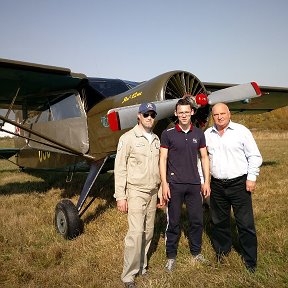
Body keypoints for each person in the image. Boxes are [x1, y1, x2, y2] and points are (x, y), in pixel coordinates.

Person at [204, 103, 262, 273]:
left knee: (244, 223)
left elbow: (254, 156)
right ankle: (223, 253)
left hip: (239, 184)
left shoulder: (241, 131)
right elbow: (202, 159)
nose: (220, 117)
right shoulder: (208, 134)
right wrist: (204, 181)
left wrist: (251, 177)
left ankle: (250, 260)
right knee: (219, 222)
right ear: (212, 116)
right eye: (216, 115)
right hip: (217, 185)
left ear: (229, 114)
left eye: (223, 113)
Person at [114, 102, 163, 288]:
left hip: (152, 191)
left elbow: (159, 167)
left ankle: (142, 266)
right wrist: (120, 196)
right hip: (135, 191)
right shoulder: (127, 138)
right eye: (146, 114)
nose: (149, 117)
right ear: (139, 116)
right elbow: (120, 168)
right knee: (135, 233)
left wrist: (159, 192)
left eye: (152, 114)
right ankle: (128, 275)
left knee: (148, 231)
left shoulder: (156, 139)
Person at [159, 98, 211, 272]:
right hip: (174, 185)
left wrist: (206, 182)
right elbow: (162, 159)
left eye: (186, 112)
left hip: (194, 184)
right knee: (173, 222)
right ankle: (171, 256)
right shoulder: (168, 134)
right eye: (180, 112)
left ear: (192, 113)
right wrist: (164, 184)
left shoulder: (199, 133)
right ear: (176, 113)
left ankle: (196, 252)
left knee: (196, 221)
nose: (183, 115)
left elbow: (204, 157)